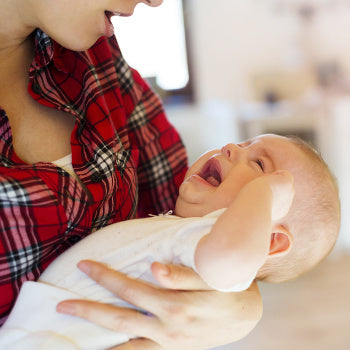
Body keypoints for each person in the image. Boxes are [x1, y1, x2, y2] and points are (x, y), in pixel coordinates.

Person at [0, 0, 263, 349]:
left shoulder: (97, 58)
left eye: (260, 162)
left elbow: (189, 216)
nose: (156, 1)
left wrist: (245, 305)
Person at [0, 134, 340, 349]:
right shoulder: (180, 231)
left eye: (260, 163)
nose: (232, 147)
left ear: (269, 242)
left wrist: (262, 193)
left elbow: (230, 258)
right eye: (244, 142)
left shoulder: (208, 240)